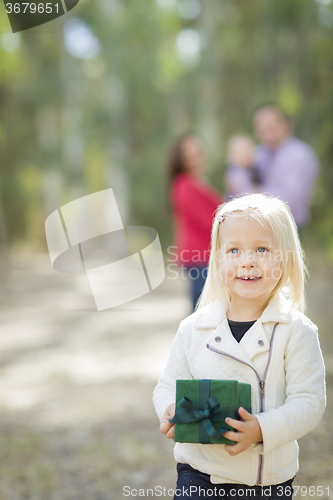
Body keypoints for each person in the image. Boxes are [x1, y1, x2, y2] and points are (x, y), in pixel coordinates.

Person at [153, 193, 326, 499]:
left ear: (285, 258)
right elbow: (168, 384)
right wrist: (168, 410)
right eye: (234, 250)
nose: (247, 260)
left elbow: (309, 403)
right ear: (218, 258)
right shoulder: (194, 328)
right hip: (200, 472)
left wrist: (261, 428)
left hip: (267, 482)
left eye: (262, 248)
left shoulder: (296, 332)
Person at [226, 106, 319, 229]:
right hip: (260, 226)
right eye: (260, 125)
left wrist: (255, 194)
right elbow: (237, 186)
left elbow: (292, 200)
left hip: (289, 227)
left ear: (285, 125)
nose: (264, 129)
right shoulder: (258, 153)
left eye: (269, 125)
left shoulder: (299, 155)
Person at [168, 133, 223, 311]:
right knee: (202, 312)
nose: (196, 158)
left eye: (198, 151)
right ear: (180, 159)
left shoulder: (196, 182)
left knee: (205, 310)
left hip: (205, 255)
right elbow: (209, 222)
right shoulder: (185, 185)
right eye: (189, 154)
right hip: (200, 256)